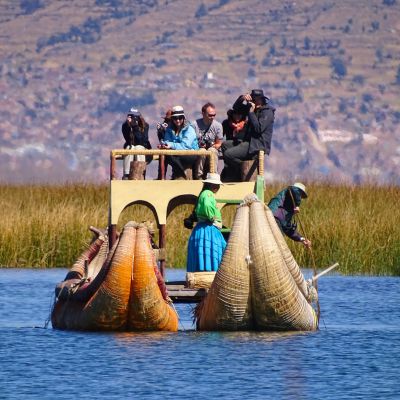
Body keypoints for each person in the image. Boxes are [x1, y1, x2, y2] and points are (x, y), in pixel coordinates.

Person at [221, 89, 275, 182]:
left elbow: (259, 129)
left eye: (258, 100)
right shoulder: (252, 108)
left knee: (228, 155)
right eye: (253, 100)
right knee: (225, 145)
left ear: (262, 100)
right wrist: (242, 98)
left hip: (257, 145)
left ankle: (243, 170)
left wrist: (251, 113)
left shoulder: (267, 112)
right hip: (248, 142)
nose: (255, 102)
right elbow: (236, 108)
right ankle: (232, 172)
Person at [187, 173, 226, 272]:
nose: (217, 187)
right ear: (210, 185)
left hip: (202, 228)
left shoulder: (203, 193)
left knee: (204, 251)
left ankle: (203, 277)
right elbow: (207, 206)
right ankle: (210, 276)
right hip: (208, 229)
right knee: (213, 250)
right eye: (215, 185)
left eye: (218, 185)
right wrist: (212, 217)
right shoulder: (208, 193)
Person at [159, 105, 199, 180]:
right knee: (167, 155)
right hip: (176, 154)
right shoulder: (169, 129)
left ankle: (180, 177)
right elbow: (167, 141)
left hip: (190, 154)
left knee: (173, 157)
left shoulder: (189, 129)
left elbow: (185, 146)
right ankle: (162, 178)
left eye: (180, 118)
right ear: (172, 119)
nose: (178, 120)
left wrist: (170, 145)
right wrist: (164, 144)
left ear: (184, 118)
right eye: (175, 118)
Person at [267, 182, 312, 248]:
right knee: (277, 244)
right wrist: (297, 205)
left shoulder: (289, 210)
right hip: (272, 218)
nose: (300, 198)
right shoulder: (290, 191)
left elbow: (288, 229)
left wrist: (302, 239)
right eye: (300, 195)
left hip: (277, 222)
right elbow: (294, 190)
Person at [191, 102, 224, 179]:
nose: (212, 117)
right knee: (202, 150)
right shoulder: (194, 125)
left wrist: (212, 145)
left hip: (212, 149)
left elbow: (219, 143)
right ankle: (199, 176)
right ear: (203, 113)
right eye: (210, 115)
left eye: (214, 115)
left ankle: (213, 175)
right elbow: (191, 142)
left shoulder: (217, 126)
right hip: (198, 149)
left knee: (212, 150)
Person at [121, 107, 151, 180]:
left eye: (134, 116)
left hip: (143, 147)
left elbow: (142, 141)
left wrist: (135, 127)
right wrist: (129, 127)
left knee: (138, 148)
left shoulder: (145, 125)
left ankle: (141, 172)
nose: (132, 118)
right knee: (129, 148)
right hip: (131, 147)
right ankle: (127, 174)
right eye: (130, 116)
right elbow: (128, 140)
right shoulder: (125, 126)